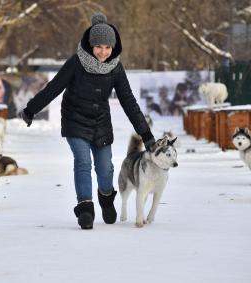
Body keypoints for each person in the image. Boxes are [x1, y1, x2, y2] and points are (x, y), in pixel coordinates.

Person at [21, 12, 155, 229]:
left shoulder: (116, 68)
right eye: (99, 46)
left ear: (114, 47)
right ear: (91, 45)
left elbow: (128, 101)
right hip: (74, 120)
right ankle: (85, 208)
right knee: (83, 162)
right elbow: (54, 88)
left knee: (105, 169)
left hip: (101, 122)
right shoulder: (76, 63)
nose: (103, 52)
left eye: (107, 47)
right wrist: (30, 110)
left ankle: (105, 197)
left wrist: (146, 134)